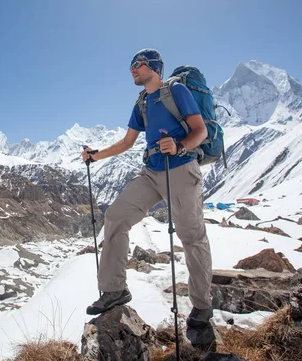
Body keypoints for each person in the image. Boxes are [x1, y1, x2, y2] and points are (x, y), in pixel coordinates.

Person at [81, 49, 213, 330]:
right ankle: (114, 289)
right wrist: (95, 155)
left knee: (191, 236)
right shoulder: (142, 102)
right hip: (152, 172)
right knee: (116, 215)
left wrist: (180, 146)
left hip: (181, 169)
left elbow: (200, 130)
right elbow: (127, 143)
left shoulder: (176, 91)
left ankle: (202, 306)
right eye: (130, 66)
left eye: (137, 65)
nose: (132, 70)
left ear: (153, 67)